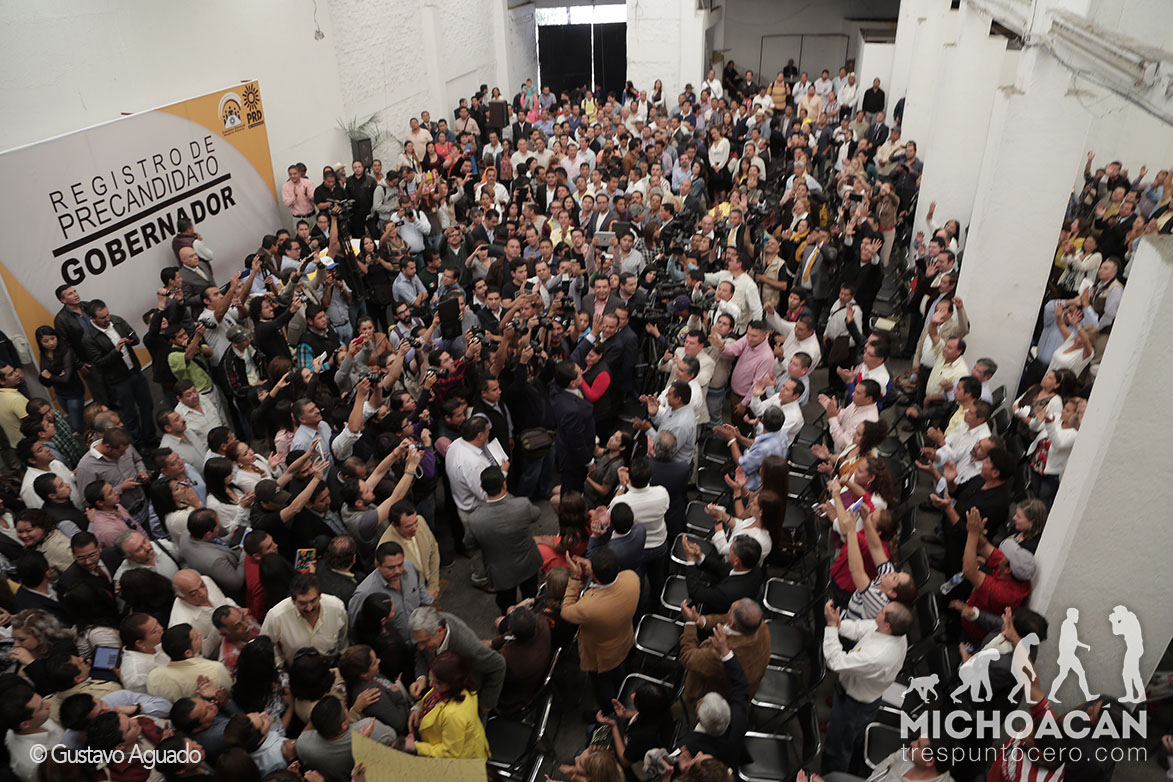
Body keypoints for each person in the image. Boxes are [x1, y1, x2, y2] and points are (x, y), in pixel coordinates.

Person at [822, 599, 913, 772]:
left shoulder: (878, 656)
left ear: (887, 626)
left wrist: (832, 627)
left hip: (853, 706)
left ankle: (829, 777)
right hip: (858, 694)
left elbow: (836, 662)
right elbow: (859, 629)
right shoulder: (893, 631)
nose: (879, 610)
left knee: (837, 750)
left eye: (882, 611)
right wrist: (838, 624)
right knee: (850, 742)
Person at [561, 548, 640, 713]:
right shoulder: (632, 578)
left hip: (602, 657)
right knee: (619, 672)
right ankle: (622, 691)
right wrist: (594, 567)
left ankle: (609, 713)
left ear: (593, 574)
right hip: (624, 640)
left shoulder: (589, 607)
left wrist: (575, 577)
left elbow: (566, 611)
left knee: (603, 687)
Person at [464, 466, 543, 615]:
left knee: (506, 605)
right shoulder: (522, 504)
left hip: (501, 572)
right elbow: (536, 514)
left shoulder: (475, 519)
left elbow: (469, 544)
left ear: (482, 487)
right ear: (504, 484)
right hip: (528, 563)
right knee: (532, 597)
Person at [407, 607, 506, 712]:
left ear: (439, 631)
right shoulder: (428, 629)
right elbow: (420, 653)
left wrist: (485, 704)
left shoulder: (468, 647)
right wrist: (421, 677)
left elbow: (498, 665)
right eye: (418, 642)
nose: (421, 647)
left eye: (424, 642)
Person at [401, 651, 490, 759]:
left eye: (437, 682)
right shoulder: (457, 687)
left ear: (452, 682)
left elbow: (450, 753)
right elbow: (431, 699)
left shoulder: (453, 715)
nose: (431, 684)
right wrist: (417, 708)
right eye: (430, 678)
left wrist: (416, 747)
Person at [295, 695, 395, 780]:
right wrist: (355, 711)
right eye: (345, 708)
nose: (346, 707)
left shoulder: (303, 745)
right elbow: (392, 736)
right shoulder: (370, 728)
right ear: (344, 726)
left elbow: (305, 734)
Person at [260, 573, 348, 659]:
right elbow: (263, 647)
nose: (309, 608)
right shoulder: (276, 616)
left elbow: (343, 645)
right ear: (293, 600)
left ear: (320, 596)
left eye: (313, 601)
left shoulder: (337, 608)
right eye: (303, 603)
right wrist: (279, 662)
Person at [148, 623, 233, 702]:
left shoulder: (154, 676)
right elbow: (230, 693)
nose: (200, 635)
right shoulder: (216, 669)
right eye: (196, 637)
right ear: (188, 653)